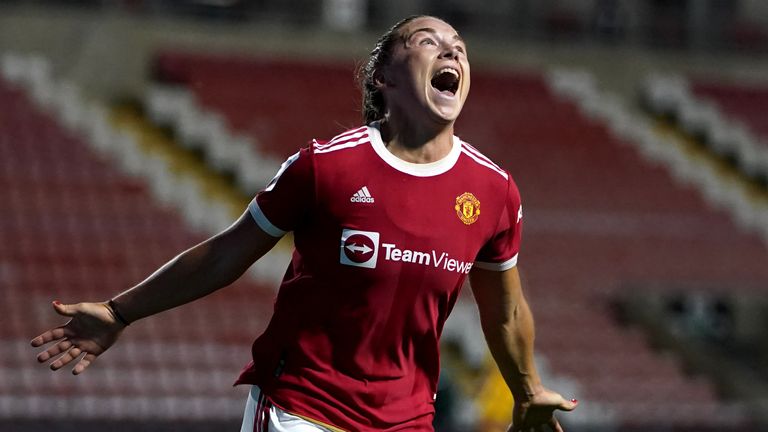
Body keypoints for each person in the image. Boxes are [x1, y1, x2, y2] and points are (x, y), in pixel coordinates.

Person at [31, 15, 578, 432]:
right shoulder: (326, 166)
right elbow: (226, 255)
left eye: (458, 47)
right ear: (383, 75)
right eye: (428, 41)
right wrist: (120, 311)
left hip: (407, 420)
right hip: (302, 409)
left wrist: (526, 390)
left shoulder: (492, 191)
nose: (451, 49)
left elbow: (505, 311)